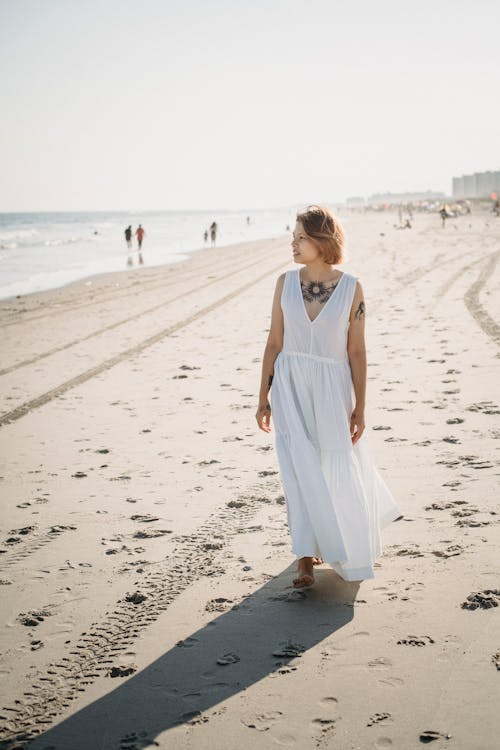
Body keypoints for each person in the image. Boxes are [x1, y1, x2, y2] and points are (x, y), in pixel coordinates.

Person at [256, 204, 402, 588]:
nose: (293, 242)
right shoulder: (284, 283)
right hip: (289, 385)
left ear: (322, 241)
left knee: (336, 463)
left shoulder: (352, 288)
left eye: (300, 236)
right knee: (298, 468)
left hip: (332, 388)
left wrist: (361, 407)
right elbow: (274, 342)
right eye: (293, 235)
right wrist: (263, 396)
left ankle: (341, 544)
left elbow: (357, 351)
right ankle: (305, 557)